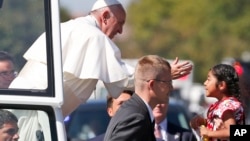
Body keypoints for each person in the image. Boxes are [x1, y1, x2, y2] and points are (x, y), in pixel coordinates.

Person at [9, 0, 192, 117]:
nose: (120, 31)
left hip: (23, 103)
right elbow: (123, 78)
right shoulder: (94, 36)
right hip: (35, 112)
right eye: (119, 23)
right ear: (105, 17)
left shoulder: (66, 27)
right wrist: (163, 74)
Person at [104, 55, 173, 141]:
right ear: (152, 85)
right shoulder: (137, 117)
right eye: (168, 82)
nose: (171, 88)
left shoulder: (136, 111)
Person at [190, 64, 245, 141]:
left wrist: (209, 133)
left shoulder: (227, 106)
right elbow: (219, 126)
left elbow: (232, 132)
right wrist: (204, 122)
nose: (205, 83)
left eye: (208, 79)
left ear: (221, 85)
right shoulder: (219, 105)